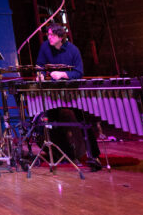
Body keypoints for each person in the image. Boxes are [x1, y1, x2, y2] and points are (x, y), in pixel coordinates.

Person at [35, 25, 101, 170]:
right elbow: (39, 65)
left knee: (84, 121)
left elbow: (79, 72)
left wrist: (63, 74)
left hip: (73, 91)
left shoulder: (73, 50)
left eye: (52, 35)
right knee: (51, 122)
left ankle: (94, 156)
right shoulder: (45, 47)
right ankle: (62, 154)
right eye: (48, 34)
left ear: (60, 37)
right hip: (54, 91)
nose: (48, 37)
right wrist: (39, 74)